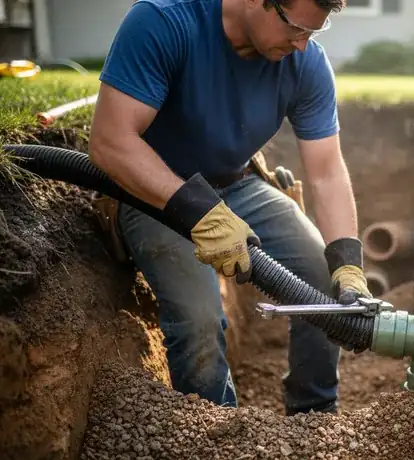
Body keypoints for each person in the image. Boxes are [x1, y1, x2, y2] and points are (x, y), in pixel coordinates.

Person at [87, 0, 372, 415]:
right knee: (200, 318)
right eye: (296, 29)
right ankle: (216, 434)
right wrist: (201, 213)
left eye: (314, 33)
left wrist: (348, 262)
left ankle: (314, 418)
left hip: (235, 185)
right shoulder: (164, 22)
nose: (302, 45)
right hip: (151, 193)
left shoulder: (305, 62)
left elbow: (326, 172)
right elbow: (110, 141)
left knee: (322, 276)